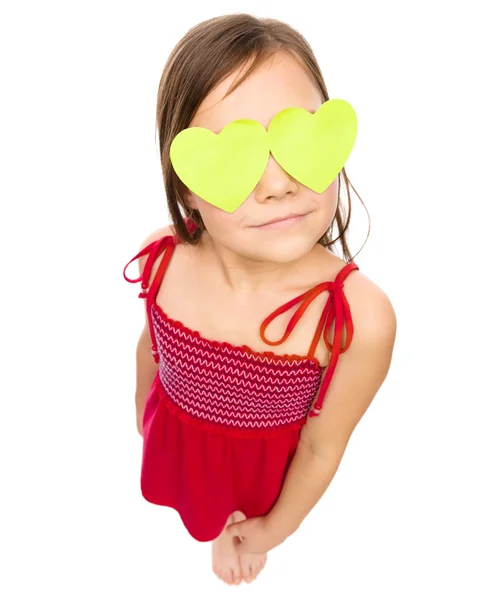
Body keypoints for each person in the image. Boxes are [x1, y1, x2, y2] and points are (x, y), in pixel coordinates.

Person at [122, 13, 396, 587]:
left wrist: (271, 531)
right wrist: (144, 423)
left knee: (231, 522)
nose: (277, 184)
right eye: (233, 156)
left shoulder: (355, 317)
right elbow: (151, 344)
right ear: (186, 189)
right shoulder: (161, 259)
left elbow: (322, 448)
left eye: (300, 142)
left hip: (258, 481)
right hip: (175, 439)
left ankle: (229, 527)